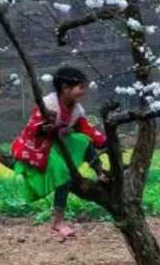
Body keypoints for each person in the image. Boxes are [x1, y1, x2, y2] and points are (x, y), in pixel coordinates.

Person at [11, 66, 108, 240]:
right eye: (80, 87)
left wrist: (105, 142)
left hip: (59, 143)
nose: (83, 92)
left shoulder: (77, 110)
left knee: (82, 141)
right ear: (65, 88)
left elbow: (86, 130)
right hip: (40, 147)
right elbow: (32, 130)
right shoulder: (48, 104)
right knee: (63, 173)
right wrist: (45, 128)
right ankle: (58, 221)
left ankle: (101, 173)